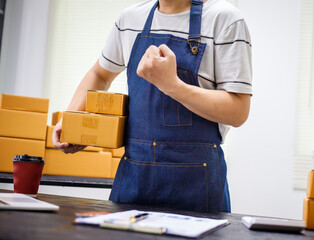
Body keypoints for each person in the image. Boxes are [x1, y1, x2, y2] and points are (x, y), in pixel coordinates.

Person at [53, 0, 252, 213]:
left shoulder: (225, 19)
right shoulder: (130, 19)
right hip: (135, 181)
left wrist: (172, 85)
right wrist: (72, 119)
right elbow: (100, 74)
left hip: (197, 189)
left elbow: (238, 111)